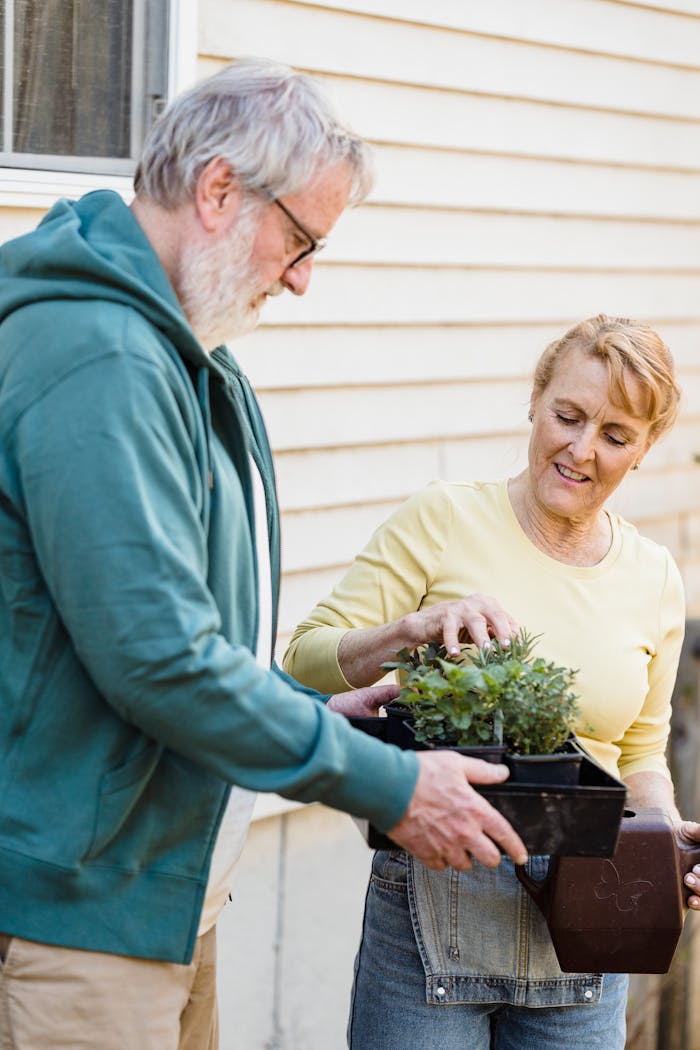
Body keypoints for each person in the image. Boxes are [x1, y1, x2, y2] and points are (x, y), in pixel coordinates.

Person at [0, 58, 528, 1050]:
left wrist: (308, 713)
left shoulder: (182, 352)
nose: (301, 278)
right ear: (217, 192)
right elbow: (156, 658)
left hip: (161, 882)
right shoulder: (101, 355)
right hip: (79, 910)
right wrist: (396, 788)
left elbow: (178, 629)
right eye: (301, 240)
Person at [284, 313, 700, 1049]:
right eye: (567, 416)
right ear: (535, 402)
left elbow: (638, 753)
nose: (580, 449)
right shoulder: (442, 519)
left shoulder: (653, 577)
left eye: (614, 434)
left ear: (643, 450)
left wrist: (664, 845)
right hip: (434, 914)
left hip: (587, 929)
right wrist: (411, 630)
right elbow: (307, 658)